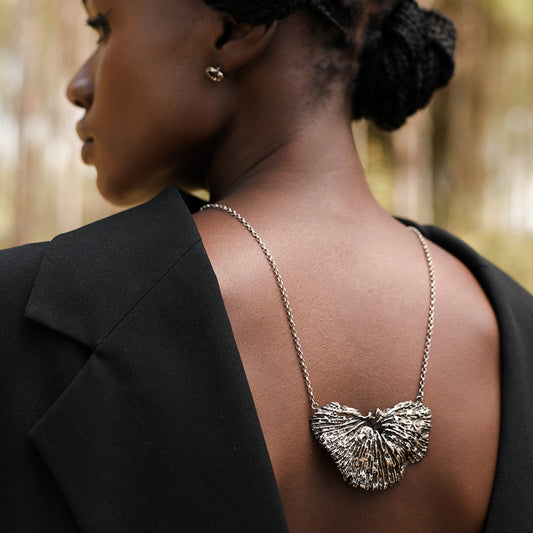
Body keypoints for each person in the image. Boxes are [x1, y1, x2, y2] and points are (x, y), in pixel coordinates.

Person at [1, 0, 532, 531]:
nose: (77, 84)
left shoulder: (16, 319)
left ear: (234, 29)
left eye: (103, 27)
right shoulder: (515, 331)